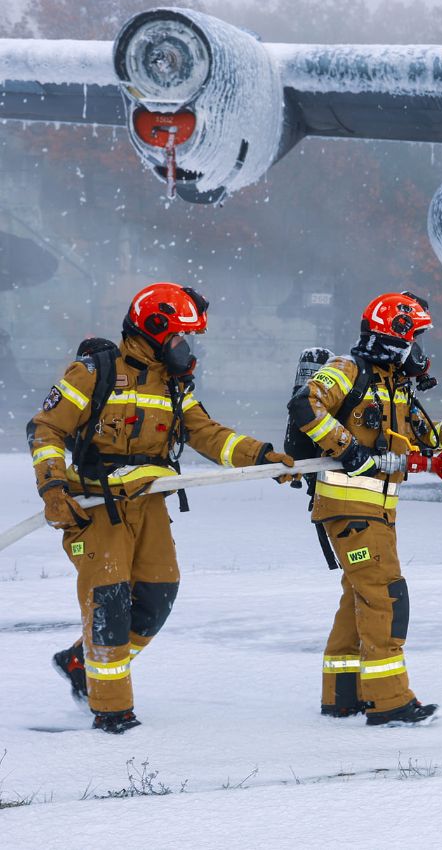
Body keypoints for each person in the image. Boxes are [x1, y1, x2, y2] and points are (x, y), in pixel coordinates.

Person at [30, 282, 294, 734]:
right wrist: (53, 489)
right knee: (109, 607)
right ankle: (112, 711)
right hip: (97, 508)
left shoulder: (174, 385)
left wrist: (262, 455)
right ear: (153, 328)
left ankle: (81, 662)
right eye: (178, 337)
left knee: (156, 599)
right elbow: (46, 429)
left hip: (149, 504)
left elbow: (209, 434)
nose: (184, 348)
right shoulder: (93, 372)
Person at [288, 291, 442, 726]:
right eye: (415, 339)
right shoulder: (348, 370)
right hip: (350, 508)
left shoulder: (393, 387)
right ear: (393, 338)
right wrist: (346, 448)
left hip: (376, 511)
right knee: (386, 597)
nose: (419, 350)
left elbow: (424, 438)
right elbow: (306, 405)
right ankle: (390, 703)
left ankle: (342, 696)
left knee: (359, 598)